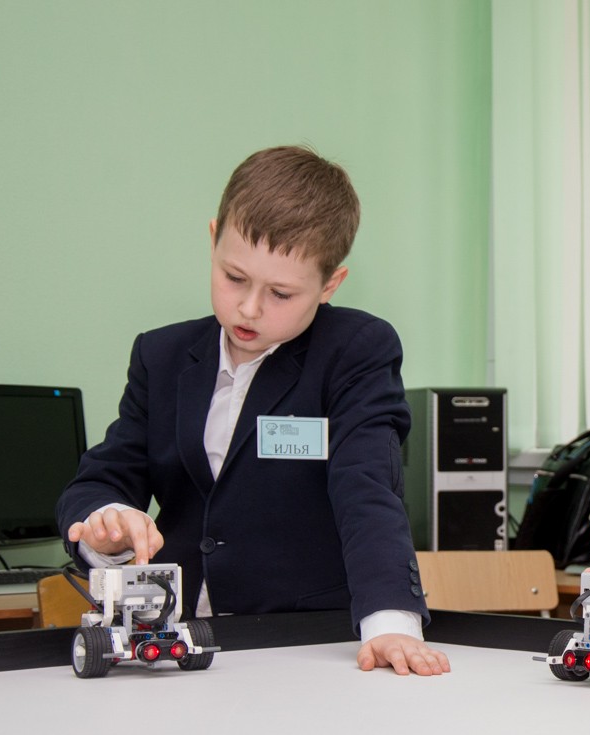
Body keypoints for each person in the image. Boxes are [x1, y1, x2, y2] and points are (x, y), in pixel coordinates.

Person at [57, 145, 449, 677]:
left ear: (329, 284)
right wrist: (106, 522)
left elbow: (366, 486)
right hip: (180, 641)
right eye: (234, 277)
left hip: (304, 642)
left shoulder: (355, 350)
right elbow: (105, 476)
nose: (249, 308)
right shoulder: (162, 355)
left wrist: (390, 624)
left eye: (281, 293)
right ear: (213, 238)